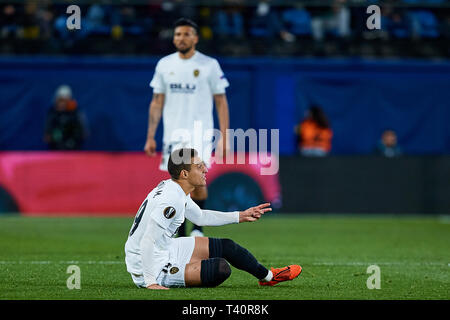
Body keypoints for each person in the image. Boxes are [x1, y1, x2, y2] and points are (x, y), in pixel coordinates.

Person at [124, 148, 302, 289]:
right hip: (148, 264)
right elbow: (147, 241)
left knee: (226, 246)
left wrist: (240, 215)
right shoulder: (171, 199)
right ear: (184, 174)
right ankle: (174, 272)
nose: (205, 169)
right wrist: (150, 281)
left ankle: (269, 277)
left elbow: (200, 217)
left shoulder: (175, 188)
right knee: (221, 269)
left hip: (163, 248)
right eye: (199, 167)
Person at [144, 18, 231, 237]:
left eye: (186, 34)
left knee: (198, 182)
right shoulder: (165, 64)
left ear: (195, 38)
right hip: (173, 134)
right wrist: (150, 136)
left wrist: (225, 136)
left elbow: (221, 101)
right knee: (177, 185)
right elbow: (156, 101)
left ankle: (199, 228)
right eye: (177, 34)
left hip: (200, 133)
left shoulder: (209, 65)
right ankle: (182, 231)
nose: (181, 38)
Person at [44, 84, 88, 150]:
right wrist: (51, 135)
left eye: (64, 100)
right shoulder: (53, 112)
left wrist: (73, 138)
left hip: (73, 146)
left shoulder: (75, 112)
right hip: (56, 146)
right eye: (60, 100)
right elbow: (48, 134)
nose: (62, 103)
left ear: (69, 100)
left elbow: (83, 132)